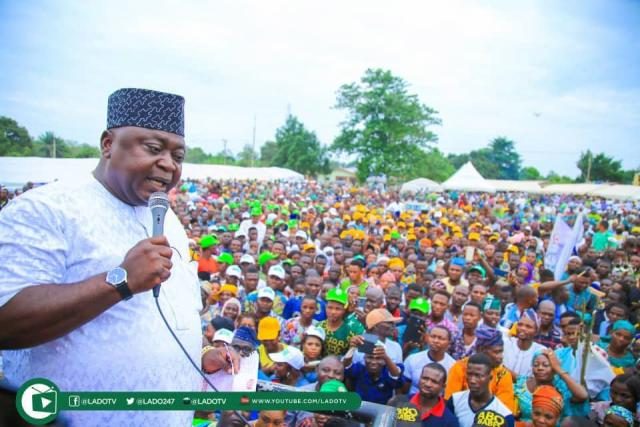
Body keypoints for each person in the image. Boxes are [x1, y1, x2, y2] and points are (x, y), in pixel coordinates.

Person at [0, 88, 238, 426]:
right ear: (108, 143)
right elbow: (6, 321)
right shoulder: (46, 209)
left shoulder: (167, 218)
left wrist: (199, 356)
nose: (169, 164)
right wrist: (120, 281)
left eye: (179, 156)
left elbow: (164, 320)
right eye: (153, 148)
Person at [446, 325, 516, 413]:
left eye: (501, 351)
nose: (500, 357)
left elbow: (505, 410)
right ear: (481, 349)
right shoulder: (460, 367)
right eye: (496, 352)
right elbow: (450, 402)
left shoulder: (503, 374)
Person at [514, 349, 589, 422]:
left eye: (546, 365)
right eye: (536, 365)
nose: (540, 368)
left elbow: (582, 396)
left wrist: (558, 369)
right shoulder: (522, 384)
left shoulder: (561, 389)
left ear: (554, 369)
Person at [447, 353, 515, 427]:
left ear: (490, 377)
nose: (472, 380)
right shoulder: (455, 400)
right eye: (469, 374)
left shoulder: (503, 414)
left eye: (478, 375)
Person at [392, 363, 460, 426]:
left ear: (443, 387)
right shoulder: (397, 402)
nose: (428, 384)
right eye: (425, 378)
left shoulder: (450, 421)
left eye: (434, 382)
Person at [402, 325, 456, 395]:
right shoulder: (412, 359)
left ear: (449, 342)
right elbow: (403, 389)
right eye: (433, 336)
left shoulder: (453, 366)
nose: (436, 341)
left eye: (441, 338)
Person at [502, 310, 547, 379]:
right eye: (520, 325)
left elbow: (533, 380)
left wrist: (505, 370)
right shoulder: (505, 343)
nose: (522, 328)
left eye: (528, 327)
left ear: (536, 331)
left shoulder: (540, 351)